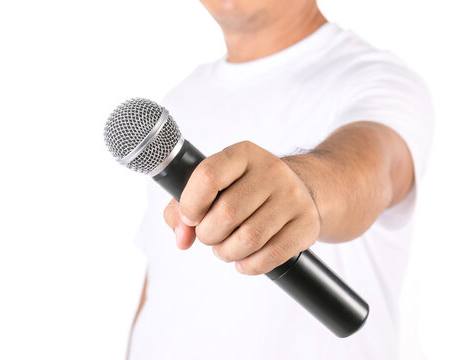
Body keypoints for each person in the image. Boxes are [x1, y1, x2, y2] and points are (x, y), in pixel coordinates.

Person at [128, 0, 433, 359]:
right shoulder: (181, 98)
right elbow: (163, 279)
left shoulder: (378, 80)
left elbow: (373, 167)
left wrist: (303, 187)